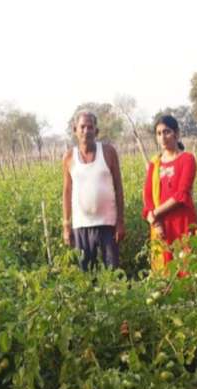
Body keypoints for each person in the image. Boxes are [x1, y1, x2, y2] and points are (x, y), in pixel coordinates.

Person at [62, 111, 126, 271]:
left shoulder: (108, 152)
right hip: (81, 224)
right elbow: (67, 192)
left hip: (108, 223)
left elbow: (118, 187)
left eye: (90, 127)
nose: (86, 131)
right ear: (75, 130)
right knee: (85, 272)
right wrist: (66, 225)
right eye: (82, 127)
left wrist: (120, 221)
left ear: (96, 131)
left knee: (112, 271)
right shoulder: (69, 157)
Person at [142, 115, 197, 271]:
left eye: (167, 132)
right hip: (162, 227)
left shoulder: (187, 159)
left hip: (183, 223)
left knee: (186, 268)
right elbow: (147, 196)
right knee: (165, 271)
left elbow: (181, 194)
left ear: (177, 133)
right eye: (159, 133)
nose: (163, 137)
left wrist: (155, 214)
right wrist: (155, 222)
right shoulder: (155, 164)